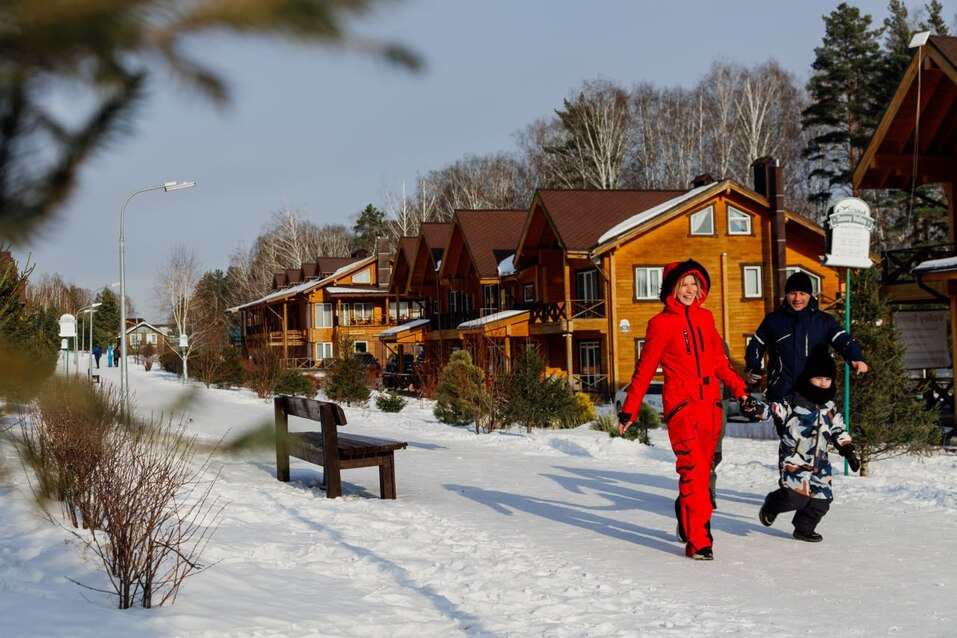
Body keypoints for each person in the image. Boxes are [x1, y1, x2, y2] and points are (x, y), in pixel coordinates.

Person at [618, 259, 756, 561]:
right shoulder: (660, 324)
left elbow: (720, 362)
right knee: (692, 471)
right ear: (673, 288)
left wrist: (741, 391)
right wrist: (629, 410)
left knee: (702, 474)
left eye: (694, 284)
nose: (690, 290)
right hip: (681, 406)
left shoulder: (706, 318)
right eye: (684, 285)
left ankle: (686, 510)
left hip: (711, 406)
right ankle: (700, 541)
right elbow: (644, 370)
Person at [757, 345, 860, 542]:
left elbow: (838, 428)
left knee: (822, 499)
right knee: (795, 497)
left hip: (820, 461)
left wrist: (847, 449)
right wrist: (757, 409)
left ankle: (804, 528)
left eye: (827, 379)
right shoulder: (794, 400)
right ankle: (772, 504)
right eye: (819, 378)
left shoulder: (830, 405)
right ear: (808, 377)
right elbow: (773, 410)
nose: (823, 383)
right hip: (795, 458)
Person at [744, 270, 868, 434]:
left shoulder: (823, 321)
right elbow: (756, 345)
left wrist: (856, 358)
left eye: (802, 294)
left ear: (810, 295)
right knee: (791, 440)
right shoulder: (773, 321)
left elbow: (843, 339)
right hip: (783, 391)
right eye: (793, 293)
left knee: (815, 439)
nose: (797, 298)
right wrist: (752, 366)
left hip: (814, 392)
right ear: (786, 295)